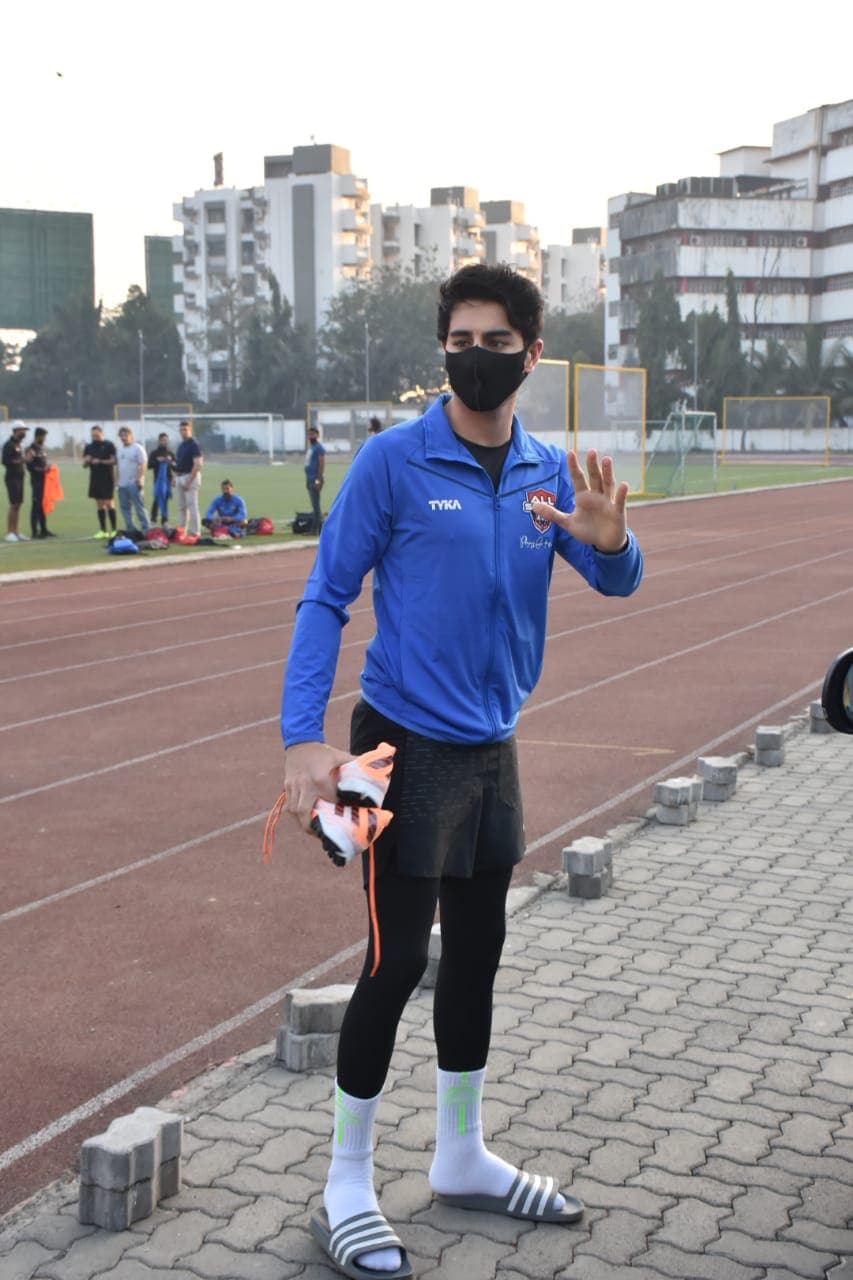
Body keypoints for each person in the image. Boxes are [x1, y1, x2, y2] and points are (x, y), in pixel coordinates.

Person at [280, 263, 644, 1278]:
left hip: (492, 746)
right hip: (392, 743)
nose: (473, 357)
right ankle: (346, 1178)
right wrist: (302, 739)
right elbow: (324, 597)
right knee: (394, 960)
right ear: (441, 346)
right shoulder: (393, 463)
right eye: (458, 339)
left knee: (477, 951)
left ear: (531, 354)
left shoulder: (544, 471)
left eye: (495, 342)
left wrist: (613, 546)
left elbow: (614, 571)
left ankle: (459, 1153)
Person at [82, 425, 117, 539]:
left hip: (107, 478)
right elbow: (84, 465)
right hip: (95, 478)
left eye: (97, 435)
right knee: (99, 504)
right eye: (93, 436)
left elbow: (114, 460)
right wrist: (87, 461)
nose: (95, 438)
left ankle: (114, 530)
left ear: (102, 434)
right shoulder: (89, 447)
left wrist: (101, 461)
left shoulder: (109, 445)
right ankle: (103, 530)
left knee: (109, 503)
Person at [115, 426, 150, 534]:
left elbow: (143, 464)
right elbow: (118, 466)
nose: (124, 438)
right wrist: (116, 480)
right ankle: (130, 528)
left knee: (139, 507)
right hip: (122, 484)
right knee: (125, 508)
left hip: (133, 483)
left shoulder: (137, 448)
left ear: (131, 435)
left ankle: (146, 529)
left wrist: (139, 479)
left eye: (126, 435)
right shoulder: (119, 450)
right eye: (122, 436)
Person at [25, 428, 56, 538]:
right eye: (44, 436)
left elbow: (42, 463)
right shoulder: (30, 449)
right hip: (36, 481)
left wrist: (47, 468)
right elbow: (29, 466)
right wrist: (42, 469)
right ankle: (35, 531)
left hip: (45, 481)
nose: (45, 439)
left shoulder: (41, 448)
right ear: (38, 436)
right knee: (36, 505)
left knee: (42, 504)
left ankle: (44, 529)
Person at [3, 421, 30, 543]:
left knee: (18, 504)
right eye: (22, 430)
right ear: (16, 430)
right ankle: (9, 532)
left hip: (20, 477)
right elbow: (5, 461)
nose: (24, 432)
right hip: (12, 477)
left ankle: (16, 531)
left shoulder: (20, 444)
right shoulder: (8, 445)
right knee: (13, 504)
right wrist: (22, 460)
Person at [174, 420, 203, 536]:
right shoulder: (181, 445)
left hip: (190, 476)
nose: (183, 432)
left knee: (192, 505)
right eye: (181, 430)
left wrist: (189, 480)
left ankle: (196, 532)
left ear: (190, 430)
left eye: (185, 429)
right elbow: (179, 463)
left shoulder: (194, 444)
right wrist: (175, 477)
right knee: (181, 507)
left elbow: (198, 463)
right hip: (180, 476)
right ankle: (182, 531)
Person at [147, 432, 176, 526]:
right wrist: (157, 460)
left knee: (166, 500)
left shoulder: (170, 453)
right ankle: (153, 520)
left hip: (168, 480)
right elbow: (149, 466)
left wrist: (171, 462)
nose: (164, 442)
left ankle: (165, 521)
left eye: (166, 440)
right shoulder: (154, 453)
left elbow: (175, 467)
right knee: (157, 499)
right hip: (158, 480)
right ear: (159, 441)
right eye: (163, 440)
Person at [303, 424, 325, 534]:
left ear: (317, 435)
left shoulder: (319, 448)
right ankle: (317, 528)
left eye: (312, 434)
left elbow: (321, 464)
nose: (310, 436)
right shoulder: (311, 447)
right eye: (309, 434)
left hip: (315, 479)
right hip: (309, 478)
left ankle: (316, 529)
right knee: (314, 505)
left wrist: (318, 479)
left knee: (316, 506)